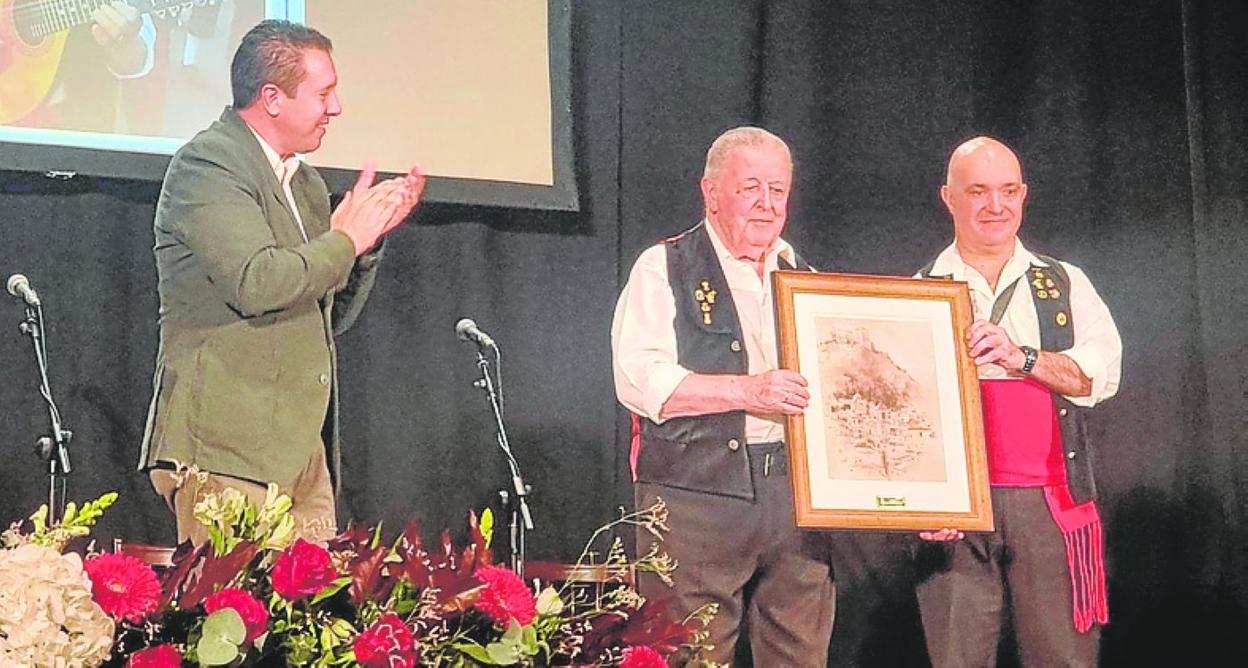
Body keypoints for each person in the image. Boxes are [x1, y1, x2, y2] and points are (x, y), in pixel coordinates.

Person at [138, 20, 425, 546]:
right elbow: (257, 281)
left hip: (301, 455)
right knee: (233, 621)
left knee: (314, 624)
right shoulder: (208, 165)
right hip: (227, 451)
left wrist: (365, 243)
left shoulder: (307, 184)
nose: (335, 108)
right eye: (324, 93)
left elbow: (321, 315)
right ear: (272, 98)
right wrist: (344, 239)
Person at [611, 126, 834, 666]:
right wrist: (748, 391)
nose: (765, 203)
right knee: (690, 655)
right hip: (695, 498)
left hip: (796, 498)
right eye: (749, 187)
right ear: (710, 193)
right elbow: (639, 379)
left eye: (777, 190)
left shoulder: (807, 278)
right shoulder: (664, 266)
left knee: (799, 654)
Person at [914, 137, 1122, 667]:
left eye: (1008, 191)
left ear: (1024, 194)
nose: (995, 206)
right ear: (948, 198)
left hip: (1051, 509)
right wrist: (923, 503)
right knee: (957, 658)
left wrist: (1021, 358)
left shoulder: (1065, 282)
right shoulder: (917, 291)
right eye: (978, 192)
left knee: (1062, 658)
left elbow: (1100, 376)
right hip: (959, 513)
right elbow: (905, 417)